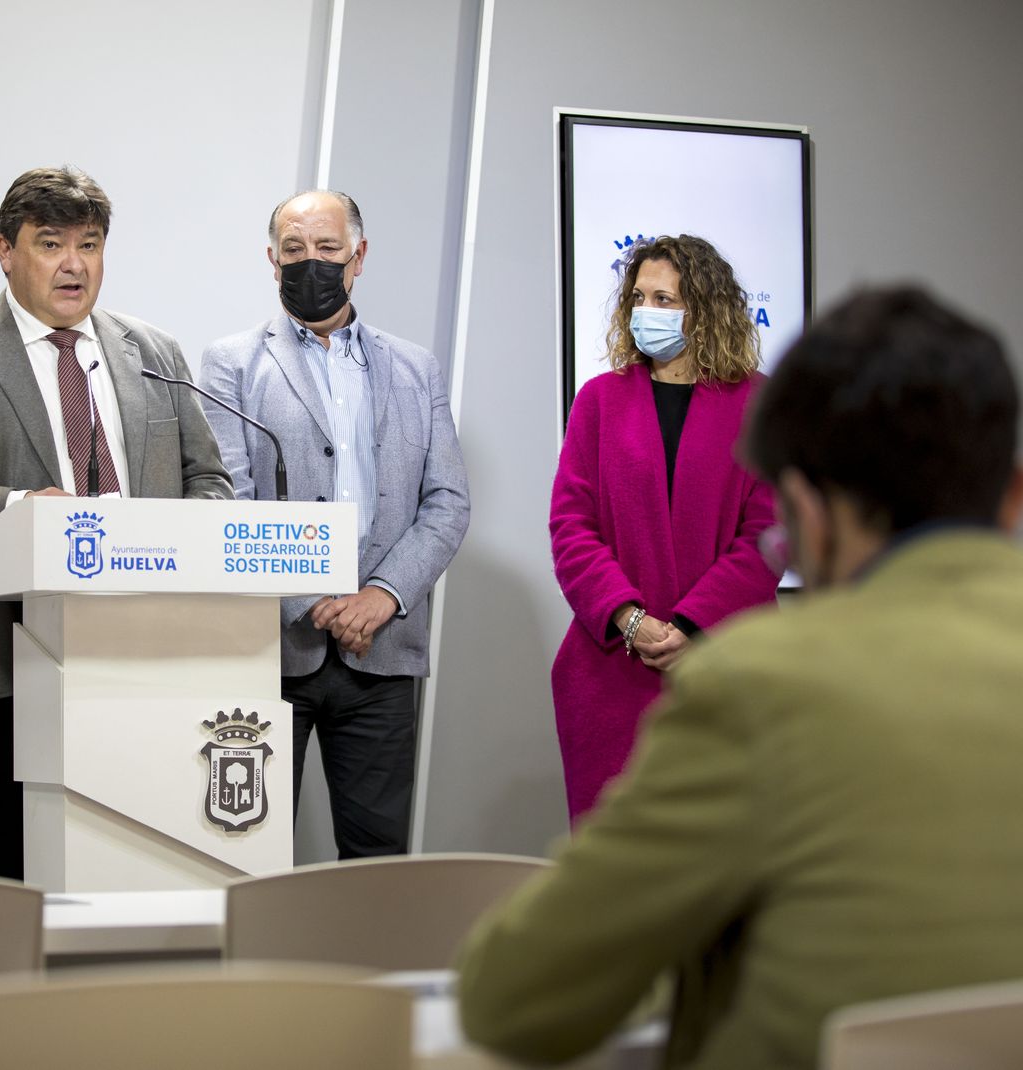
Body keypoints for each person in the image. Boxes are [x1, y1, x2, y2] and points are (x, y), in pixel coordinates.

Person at [457, 287, 1023, 1070]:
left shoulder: (761, 689)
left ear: (806, 514)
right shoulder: (603, 403)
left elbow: (511, 998)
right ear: (1013, 496)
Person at [0, 166, 232, 880]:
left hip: (140, 653)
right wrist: (18, 511)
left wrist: (167, 539)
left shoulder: (154, 353)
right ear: (6, 252)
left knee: (133, 861)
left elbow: (210, 484)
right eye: (50, 244)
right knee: (4, 872)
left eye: (89, 245)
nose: (74, 265)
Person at [198, 190, 469, 858]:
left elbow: (446, 501)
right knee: (247, 851)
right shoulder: (232, 362)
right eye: (294, 250)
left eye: (326, 248)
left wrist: (381, 595)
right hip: (270, 650)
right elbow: (228, 500)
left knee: (376, 865)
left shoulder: (415, 367)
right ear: (272, 260)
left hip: (384, 649)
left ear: (359, 255)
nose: (310, 263)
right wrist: (312, 597)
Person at [551, 234, 780, 822]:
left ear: (703, 309)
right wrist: (630, 619)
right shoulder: (599, 400)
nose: (646, 311)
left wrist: (692, 623)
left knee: (720, 857)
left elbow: (768, 532)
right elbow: (572, 526)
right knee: (615, 857)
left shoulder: (760, 404)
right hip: (613, 671)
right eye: (639, 298)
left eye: (664, 300)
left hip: (725, 667)